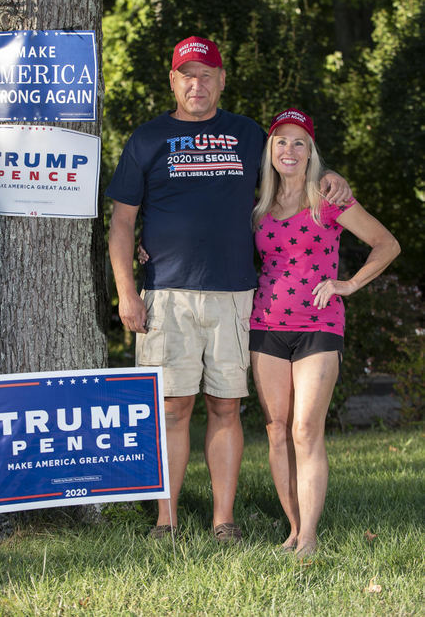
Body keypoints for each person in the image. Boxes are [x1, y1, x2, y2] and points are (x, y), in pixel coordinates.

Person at [106, 37, 351, 542]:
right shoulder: (147, 139)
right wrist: (126, 291)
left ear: (222, 80)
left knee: (225, 405)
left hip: (238, 294)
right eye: (186, 75)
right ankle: (166, 520)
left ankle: (223, 520)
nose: (197, 84)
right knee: (172, 408)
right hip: (165, 295)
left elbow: (292, 166)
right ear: (172, 81)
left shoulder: (247, 134)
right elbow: (122, 224)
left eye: (207, 74)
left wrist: (334, 180)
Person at [249, 108, 400, 557]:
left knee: (305, 429)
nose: (289, 150)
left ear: (311, 151)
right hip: (266, 325)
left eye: (299, 142)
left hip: (318, 325)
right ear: (270, 150)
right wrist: (149, 247)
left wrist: (348, 284)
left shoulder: (328, 198)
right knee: (277, 430)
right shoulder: (257, 205)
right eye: (281, 141)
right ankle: (293, 530)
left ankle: (310, 538)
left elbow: (386, 243)